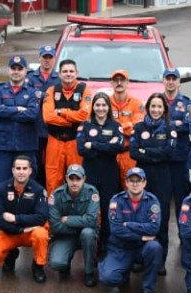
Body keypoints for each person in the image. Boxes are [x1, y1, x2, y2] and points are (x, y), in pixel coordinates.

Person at [0, 156, 50, 282]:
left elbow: (41, 217)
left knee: (41, 234)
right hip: (10, 232)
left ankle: (38, 266)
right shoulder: (0, 189)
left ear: (30, 171)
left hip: (31, 232)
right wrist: (20, 229)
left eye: (24, 168)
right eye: (18, 168)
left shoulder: (39, 190)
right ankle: (10, 254)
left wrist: (16, 219)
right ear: (12, 170)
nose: (21, 172)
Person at [98, 167, 164, 293]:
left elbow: (153, 228)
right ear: (126, 183)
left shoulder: (152, 201)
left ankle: (148, 288)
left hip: (142, 247)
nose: (135, 184)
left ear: (144, 183)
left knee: (154, 247)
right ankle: (119, 270)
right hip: (120, 247)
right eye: (131, 180)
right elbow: (116, 229)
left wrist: (128, 224)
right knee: (108, 278)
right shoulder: (117, 200)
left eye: (138, 180)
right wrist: (141, 235)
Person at [130, 93, 177, 270]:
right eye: (153, 106)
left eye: (159, 107)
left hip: (162, 177)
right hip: (142, 176)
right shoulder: (139, 127)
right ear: (148, 108)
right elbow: (133, 152)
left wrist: (146, 151)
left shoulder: (169, 129)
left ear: (164, 109)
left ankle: (160, 262)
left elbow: (168, 153)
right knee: (140, 215)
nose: (156, 110)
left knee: (162, 217)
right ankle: (140, 258)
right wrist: (154, 153)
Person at [76, 92, 124, 247]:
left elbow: (118, 147)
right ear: (93, 106)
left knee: (107, 208)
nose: (101, 108)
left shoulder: (116, 126)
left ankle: (105, 246)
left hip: (109, 172)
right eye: (97, 105)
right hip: (90, 171)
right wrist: (107, 145)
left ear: (108, 107)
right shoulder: (85, 125)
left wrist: (94, 144)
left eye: (104, 105)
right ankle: (87, 243)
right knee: (88, 208)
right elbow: (82, 149)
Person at [42, 59, 91, 195]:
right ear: (59, 74)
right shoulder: (52, 91)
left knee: (77, 180)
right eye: (65, 71)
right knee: (52, 181)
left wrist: (62, 112)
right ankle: (53, 215)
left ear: (77, 73)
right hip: (55, 141)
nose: (68, 74)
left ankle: (77, 215)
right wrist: (71, 120)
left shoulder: (84, 91)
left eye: (71, 71)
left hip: (75, 141)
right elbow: (47, 117)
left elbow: (84, 116)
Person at [0, 55, 41, 184]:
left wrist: (6, 111)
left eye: (20, 68)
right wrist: (17, 109)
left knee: (28, 185)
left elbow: (32, 114)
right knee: (2, 184)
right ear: (8, 70)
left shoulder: (33, 92)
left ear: (25, 71)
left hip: (26, 145)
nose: (16, 72)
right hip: (4, 146)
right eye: (13, 68)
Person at [48, 164, 100, 286]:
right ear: (66, 178)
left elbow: (92, 220)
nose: (74, 182)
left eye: (78, 179)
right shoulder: (56, 195)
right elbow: (55, 225)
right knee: (57, 263)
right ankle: (65, 263)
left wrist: (67, 219)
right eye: (71, 178)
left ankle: (89, 272)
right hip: (65, 236)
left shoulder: (92, 192)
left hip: (85, 234)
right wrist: (80, 224)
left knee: (88, 233)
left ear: (84, 179)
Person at [162, 67, 191, 252]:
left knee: (182, 202)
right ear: (163, 80)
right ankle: (161, 238)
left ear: (179, 82)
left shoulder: (187, 103)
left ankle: (184, 238)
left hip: (180, 160)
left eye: (174, 78)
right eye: (168, 78)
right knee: (162, 202)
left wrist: (167, 125)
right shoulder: (157, 101)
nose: (171, 81)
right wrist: (176, 125)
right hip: (161, 161)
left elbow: (190, 125)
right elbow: (152, 122)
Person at [27, 44, 59, 188]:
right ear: (39, 57)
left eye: (50, 57)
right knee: (35, 164)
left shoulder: (59, 79)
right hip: (33, 130)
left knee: (52, 166)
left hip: (53, 130)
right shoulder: (30, 78)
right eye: (44, 57)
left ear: (54, 59)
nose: (47, 60)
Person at [108, 69, 144, 182]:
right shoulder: (104, 103)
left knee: (131, 188)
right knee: (109, 188)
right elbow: (101, 129)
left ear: (128, 82)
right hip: (109, 154)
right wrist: (128, 124)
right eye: (116, 80)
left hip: (129, 154)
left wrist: (114, 129)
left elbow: (137, 130)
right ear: (111, 83)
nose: (119, 83)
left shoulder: (136, 103)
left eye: (122, 80)